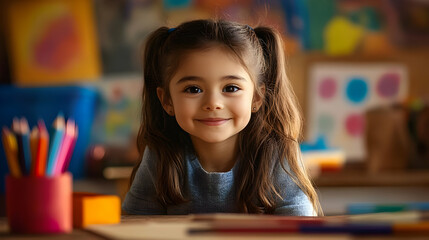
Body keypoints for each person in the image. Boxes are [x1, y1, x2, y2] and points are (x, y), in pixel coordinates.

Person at [122, 19, 322, 216]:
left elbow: (299, 225)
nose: (213, 103)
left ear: (257, 97)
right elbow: (136, 223)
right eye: (193, 89)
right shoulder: (160, 156)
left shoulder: (276, 154)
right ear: (167, 100)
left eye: (231, 88)